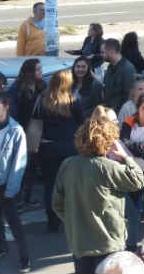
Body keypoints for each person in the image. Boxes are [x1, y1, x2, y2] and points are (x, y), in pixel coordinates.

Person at [53, 114, 144, 274]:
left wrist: (74, 221)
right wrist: (126, 158)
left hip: (79, 242)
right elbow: (138, 180)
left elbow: (57, 204)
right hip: (108, 242)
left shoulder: (67, 165)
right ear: (108, 141)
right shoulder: (108, 167)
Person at [33, 69, 84, 233]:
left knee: (51, 185)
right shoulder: (73, 100)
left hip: (48, 148)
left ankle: (52, 221)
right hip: (70, 148)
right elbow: (81, 121)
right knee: (70, 185)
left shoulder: (42, 99)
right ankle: (70, 219)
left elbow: (36, 121)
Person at [0, 94, 30, 272]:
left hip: (6, 185)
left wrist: (10, 191)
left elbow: (19, 163)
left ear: (6, 106)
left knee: (14, 223)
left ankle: (25, 258)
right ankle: (1, 247)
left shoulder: (16, 130)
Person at [103, 38, 137, 111]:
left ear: (111, 51)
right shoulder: (110, 67)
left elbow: (129, 96)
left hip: (120, 113)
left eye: (103, 52)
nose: (101, 55)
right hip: (110, 111)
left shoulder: (127, 69)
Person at [120, 94, 144, 158]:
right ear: (138, 108)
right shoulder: (128, 122)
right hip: (129, 159)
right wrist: (141, 146)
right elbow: (124, 143)